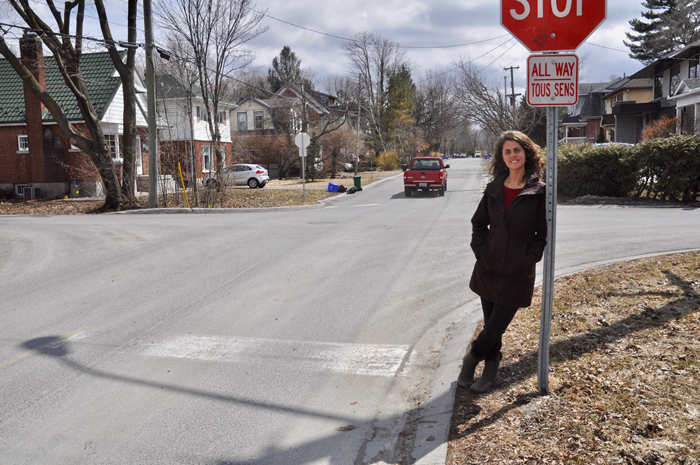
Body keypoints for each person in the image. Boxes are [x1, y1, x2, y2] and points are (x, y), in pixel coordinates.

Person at [458, 130, 547, 394]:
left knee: (496, 326)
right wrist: (481, 251)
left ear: (526, 153)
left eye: (516, 150)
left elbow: (541, 234)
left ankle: (470, 359)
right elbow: (478, 223)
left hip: (517, 274)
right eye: (507, 151)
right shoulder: (494, 188)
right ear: (502, 157)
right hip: (488, 268)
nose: (512, 155)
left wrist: (528, 259)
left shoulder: (539, 191)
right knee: (491, 327)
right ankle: (491, 370)